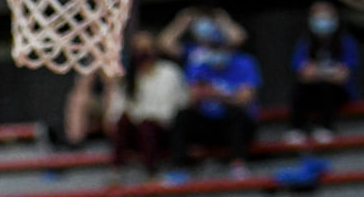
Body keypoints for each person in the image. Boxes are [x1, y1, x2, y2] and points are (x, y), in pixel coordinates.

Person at [171, 16, 262, 178]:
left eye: (220, 47)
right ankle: (179, 169)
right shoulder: (198, 64)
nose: (217, 51)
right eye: (212, 47)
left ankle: (238, 164)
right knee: (182, 116)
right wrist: (203, 94)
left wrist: (217, 94)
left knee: (237, 114)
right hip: (209, 124)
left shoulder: (244, 62)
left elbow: (245, 98)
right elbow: (192, 98)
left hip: (237, 124)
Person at [106, 32, 187, 176]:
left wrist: (147, 118)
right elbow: (116, 111)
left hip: (163, 130)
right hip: (135, 131)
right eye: (139, 50)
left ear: (155, 50)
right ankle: (116, 171)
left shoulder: (169, 73)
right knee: (124, 123)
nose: (143, 54)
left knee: (147, 125)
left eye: (147, 49)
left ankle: (151, 173)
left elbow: (176, 107)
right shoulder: (127, 78)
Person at [287, 1, 359, 144]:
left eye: (326, 17)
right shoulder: (305, 42)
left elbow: (343, 75)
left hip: (337, 92)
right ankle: (297, 129)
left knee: (328, 87)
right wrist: (328, 72)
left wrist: (318, 72)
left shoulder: (346, 41)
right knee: (300, 89)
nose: (322, 21)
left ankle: (326, 128)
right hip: (312, 91)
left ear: (335, 19)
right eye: (318, 18)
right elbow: (303, 72)